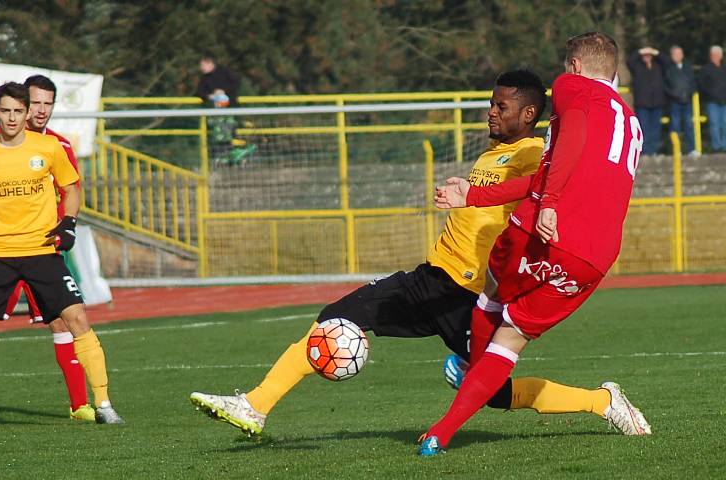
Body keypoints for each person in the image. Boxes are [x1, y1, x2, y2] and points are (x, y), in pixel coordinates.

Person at [188, 70, 649, 440]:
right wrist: (465, 191)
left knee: (495, 394)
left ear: (529, 114)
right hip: (431, 280)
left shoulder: (531, 152)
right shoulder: (493, 153)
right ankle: (255, 406)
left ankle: (603, 403)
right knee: (336, 316)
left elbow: (553, 178)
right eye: (490, 103)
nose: (490, 112)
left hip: (471, 296)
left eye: (501, 106)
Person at [421, 31, 649, 456]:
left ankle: (457, 397)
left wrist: (551, 205)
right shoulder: (632, 121)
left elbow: (569, 146)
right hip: (592, 260)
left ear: (575, 66)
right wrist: (472, 194)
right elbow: (557, 172)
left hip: (544, 232)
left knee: (492, 286)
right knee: (509, 341)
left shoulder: (571, 88)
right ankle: (446, 422)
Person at [0, 82, 124, 431]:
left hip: (41, 252)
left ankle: (101, 403)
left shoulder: (51, 147)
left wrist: (68, 223)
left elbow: (71, 189)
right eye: (8, 110)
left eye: (21, 110)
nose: (16, 117)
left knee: (76, 320)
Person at [627, 46, 665, 155]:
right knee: (643, 129)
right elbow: (629, 60)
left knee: (656, 129)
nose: (647, 57)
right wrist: (640, 51)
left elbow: (667, 61)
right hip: (642, 104)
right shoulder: (637, 66)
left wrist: (655, 51)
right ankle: (644, 151)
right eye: (645, 55)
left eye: (649, 55)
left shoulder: (658, 66)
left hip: (657, 103)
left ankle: (654, 151)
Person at [664, 46, 698, 156]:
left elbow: (693, 83)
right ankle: (676, 150)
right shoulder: (668, 68)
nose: (677, 56)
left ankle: (692, 149)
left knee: (689, 125)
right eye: (675, 54)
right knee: (675, 126)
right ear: (671, 55)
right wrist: (674, 95)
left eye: (679, 54)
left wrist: (689, 93)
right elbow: (665, 85)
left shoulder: (688, 68)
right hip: (674, 102)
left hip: (687, 101)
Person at [699, 45, 726, 152]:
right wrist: (710, 94)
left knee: (725, 123)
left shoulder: (724, 68)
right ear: (711, 56)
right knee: (714, 124)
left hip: (724, 101)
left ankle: (724, 146)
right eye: (714, 55)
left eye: (718, 55)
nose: (716, 57)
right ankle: (717, 147)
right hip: (712, 101)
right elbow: (702, 85)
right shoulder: (706, 69)